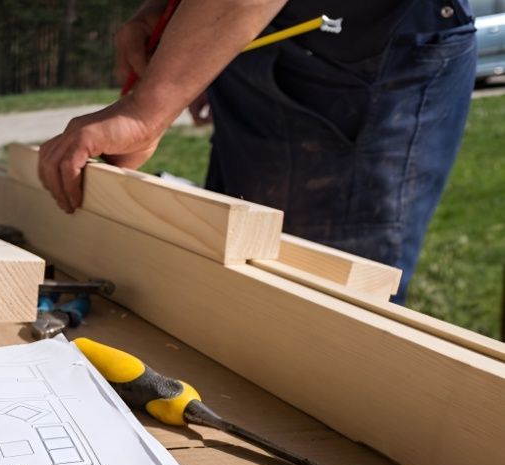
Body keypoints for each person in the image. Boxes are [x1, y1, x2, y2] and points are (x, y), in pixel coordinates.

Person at [38, 0, 477, 303]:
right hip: (266, 32)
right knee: (234, 282)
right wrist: (177, 24)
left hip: (366, 52)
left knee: (322, 317)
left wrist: (147, 109)